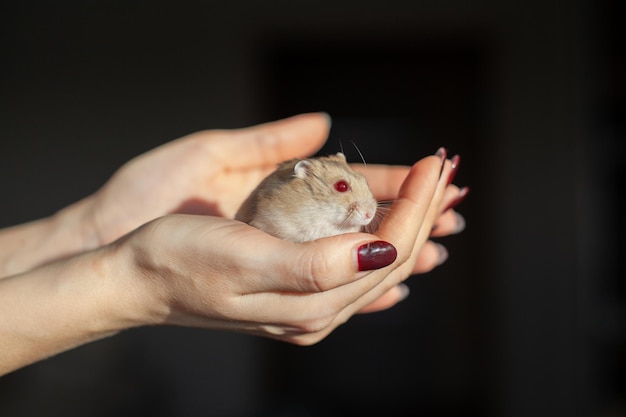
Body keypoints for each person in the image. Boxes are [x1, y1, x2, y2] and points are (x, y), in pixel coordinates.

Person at [0, 113, 467, 376]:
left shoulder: (349, 199)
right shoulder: (293, 184)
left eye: (364, 196)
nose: (366, 209)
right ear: (304, 178)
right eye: (346, 190)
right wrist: (134, 280)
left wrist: (87, 232)